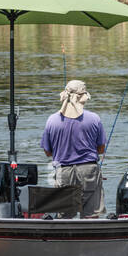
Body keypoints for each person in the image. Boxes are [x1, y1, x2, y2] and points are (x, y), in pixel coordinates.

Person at [40, 79, 106, 217]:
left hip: (63, 171)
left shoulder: (52, 120)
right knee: (91, 215)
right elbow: (100, 149)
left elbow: (47, 152)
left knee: (64, 216)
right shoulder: (94, 118)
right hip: (89, 171)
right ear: (82, 97)